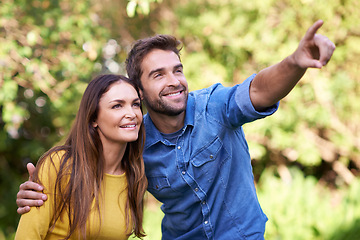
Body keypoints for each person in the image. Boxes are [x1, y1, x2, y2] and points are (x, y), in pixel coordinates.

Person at [16, 20, 335, 239]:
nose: (174, 81)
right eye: (158, 74)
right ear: (138, 91)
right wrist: (40, 191)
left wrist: (295, 62)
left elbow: (258, 91)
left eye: (178, 70)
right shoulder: (134, 143)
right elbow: (93, 169)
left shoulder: (215, 107)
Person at [15, 74, 147, 240]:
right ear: (93, 118)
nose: (132, 113)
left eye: (135, 104)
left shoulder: (134, 175)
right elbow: (28, 235)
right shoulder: (60, 164)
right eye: (117, 106)